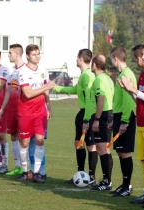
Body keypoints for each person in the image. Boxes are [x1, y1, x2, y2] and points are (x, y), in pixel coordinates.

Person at [53, 49, 97, 185]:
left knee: (91, 146)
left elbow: (90, 99)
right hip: (82, 113)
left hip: (87, 113)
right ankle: (80, 174)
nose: (76, 60)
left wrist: (87, 118)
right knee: (78, 143)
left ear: (81, 59)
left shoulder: (88, 76)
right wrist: (56, 87)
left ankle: (91, 176)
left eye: (77, 57)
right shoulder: (83, 75)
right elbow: (74, 90)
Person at [119, 43, 144, 208]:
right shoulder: (143, 75)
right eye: (143, 54)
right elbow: (140, 99)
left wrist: (133, 89)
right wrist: (129, 90)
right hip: (142, 124)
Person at [16, 44, 55, 183]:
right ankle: (25, 171)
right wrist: (46, 86)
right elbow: (27, 93)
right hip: (25, 112)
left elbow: (46, 91)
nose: (37, 56)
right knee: (25, 143)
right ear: (27, 56)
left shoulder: (43, 69)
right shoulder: (22, 72)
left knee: (39, 141)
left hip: (40, 112)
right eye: (34, 54)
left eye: (38, 54)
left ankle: (37, 173)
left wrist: (48, 107)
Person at [108, 46, 136, 197]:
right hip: (120, 116)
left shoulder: (127, 75)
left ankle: (127, 185)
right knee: (120, 151)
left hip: (126, 117)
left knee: (125, 152)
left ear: (115, 58)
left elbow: (129, 101)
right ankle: (125, 184)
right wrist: (115, 120)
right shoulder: (122, 74)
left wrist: (124, 121)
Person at [84, 54, 114, 191]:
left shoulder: (99, 80)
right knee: (104, 149)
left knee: (102, 149)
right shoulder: (107, 78)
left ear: (95, 64)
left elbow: (100, 100)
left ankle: (106, 181)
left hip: (103, 116)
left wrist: (96, 119)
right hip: (109, 114)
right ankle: (107, 180)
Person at [0, 44, 26, 176]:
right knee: (13, 136)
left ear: (17, 54)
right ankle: (18, 166)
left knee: (23, 138)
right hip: (11, 110)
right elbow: (9, 91)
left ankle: (27, 168)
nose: (8, 55)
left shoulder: (25, 69)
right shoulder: (12, 71)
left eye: (10, 53)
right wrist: (2, 108)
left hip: (23, 109)